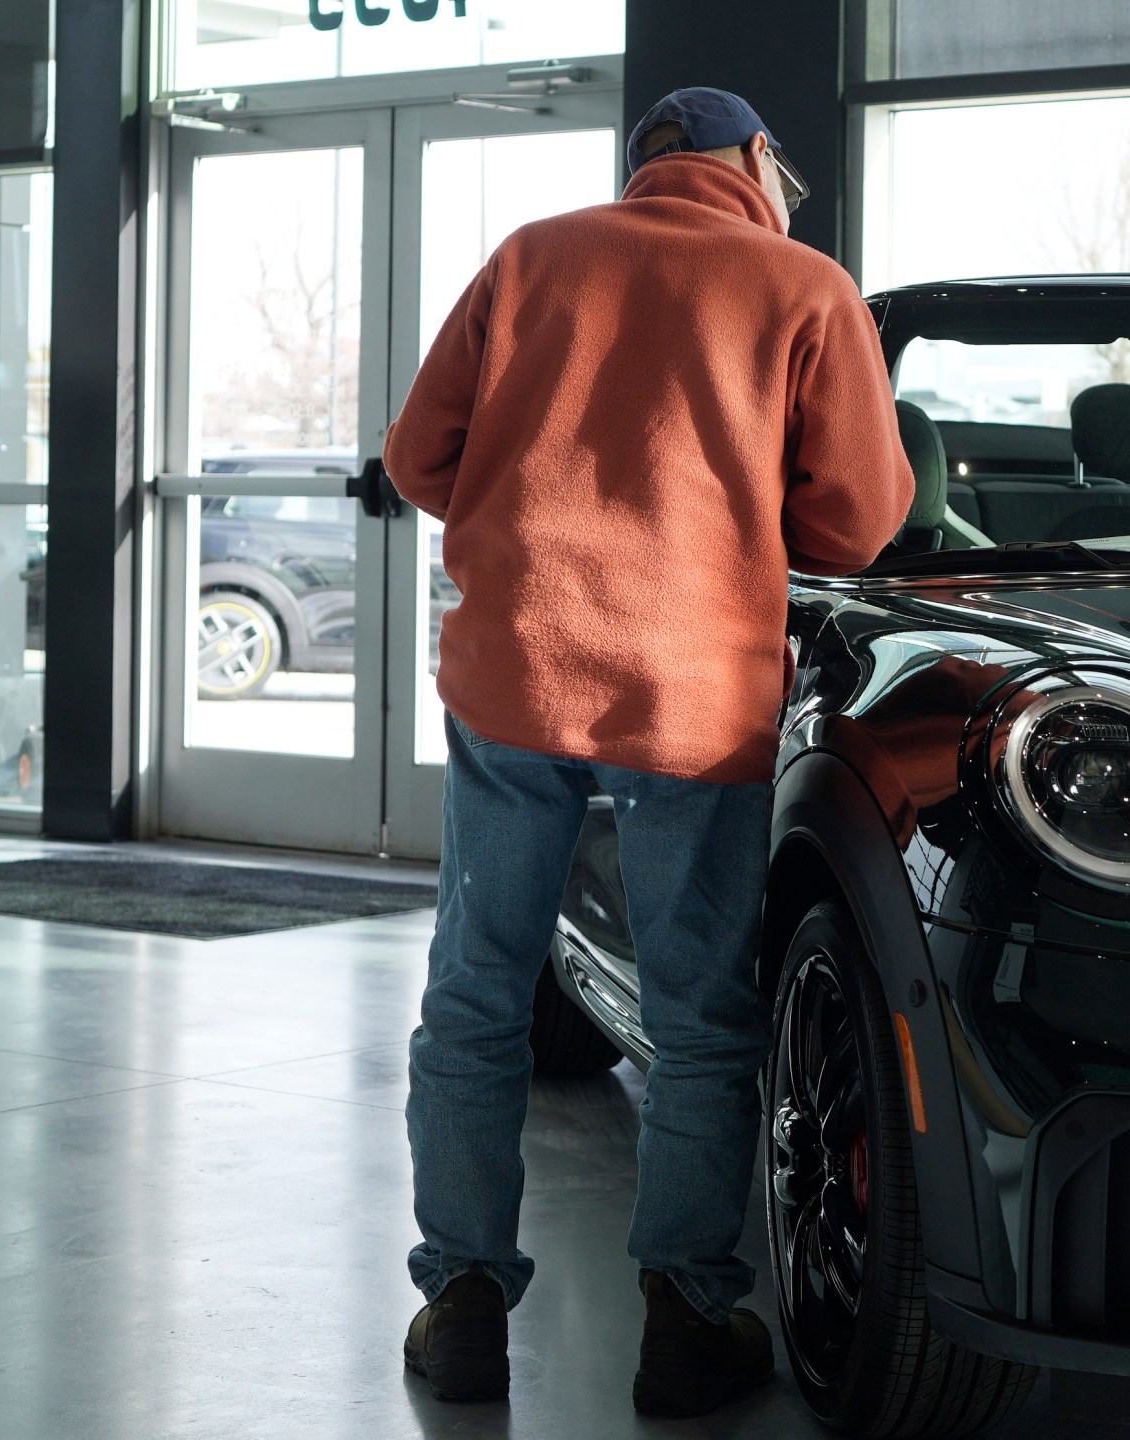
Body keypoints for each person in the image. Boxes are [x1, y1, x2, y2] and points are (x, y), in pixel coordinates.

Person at [381, 87, 911, 1416]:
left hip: (517, 676)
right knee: (698, 1016)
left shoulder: (532, 258)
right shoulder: (804, 287)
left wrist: (525, 499)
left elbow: (417, 459)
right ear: (755, 160)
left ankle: (461, 1302)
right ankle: (685, 1315)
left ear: (644, 168)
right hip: (694, 694)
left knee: (477, 991)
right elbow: (856, 525)